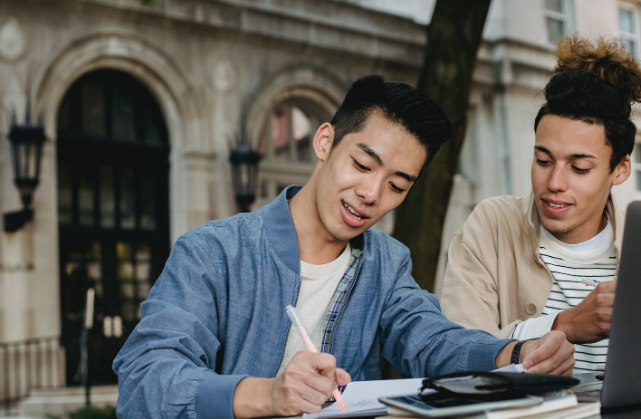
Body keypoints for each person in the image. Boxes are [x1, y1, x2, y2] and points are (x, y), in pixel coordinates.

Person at [113, 75, 575, 419]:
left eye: (397, 185)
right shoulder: (214, 252)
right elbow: (145, 379)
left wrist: (514, 356)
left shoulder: (387, 264)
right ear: (325, 141)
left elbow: (432, 340)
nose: (372, 194)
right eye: (361, 164)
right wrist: (268, 395)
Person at [440, 36, 641, 375]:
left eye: (579, 168)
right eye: (543, 160)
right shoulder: (493, 226)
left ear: (620, 169)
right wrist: (563, 325)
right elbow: (453, 352)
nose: (554, 183)